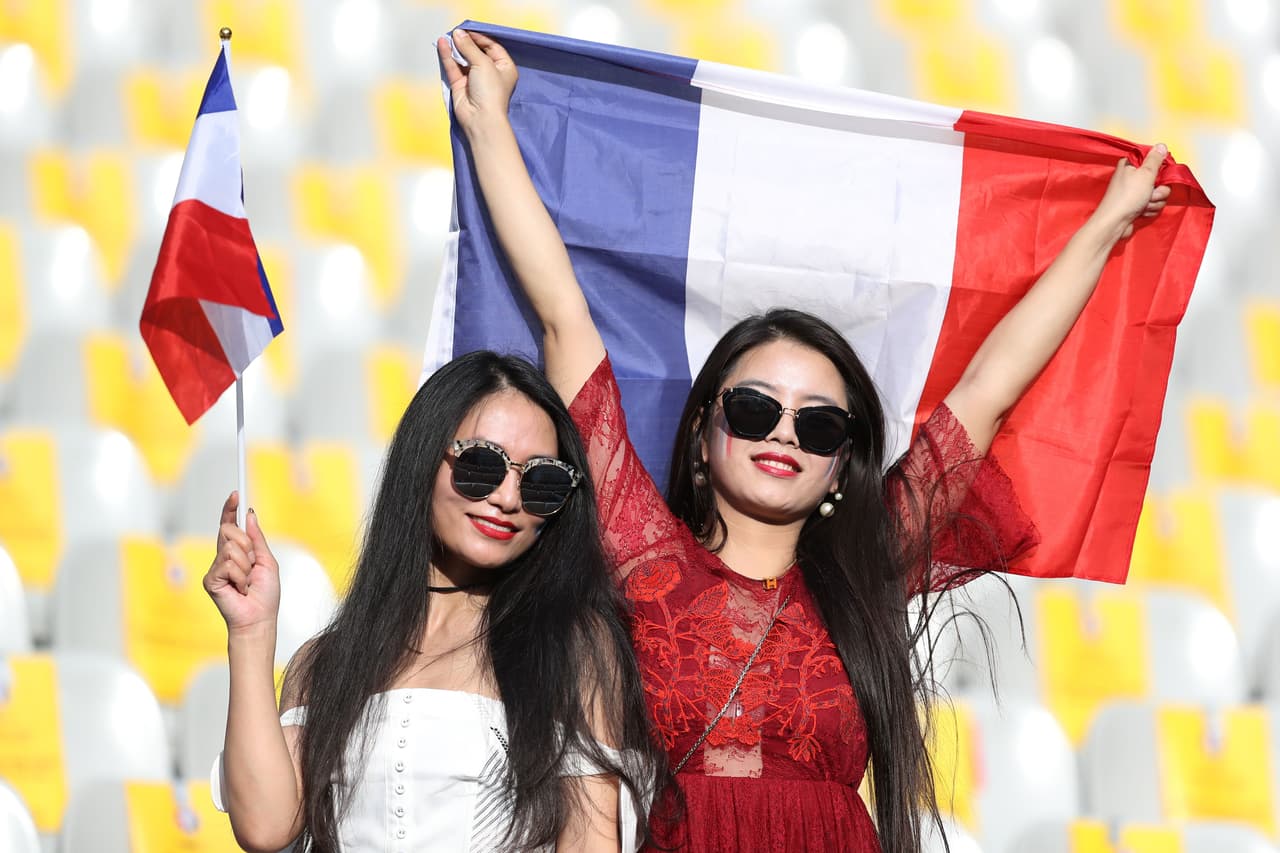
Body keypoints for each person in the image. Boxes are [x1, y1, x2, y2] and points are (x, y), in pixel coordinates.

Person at [439, 27, 1170, 853]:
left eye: (818, 422)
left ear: (840, 459)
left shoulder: (867, 568)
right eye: (755, 408)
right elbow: (563, 316)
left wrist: (1106, 227)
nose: (784, 432)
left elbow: (988, 391)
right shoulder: (639, 554)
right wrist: (490, 126)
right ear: (704, 431)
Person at [203, 351, 663, 853]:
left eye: (542, 481)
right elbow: (264, 828)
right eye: (482, 465)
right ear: (423, 460)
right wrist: (250, 633)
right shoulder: (326, 663)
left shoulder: (573, 649)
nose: (509, 498)